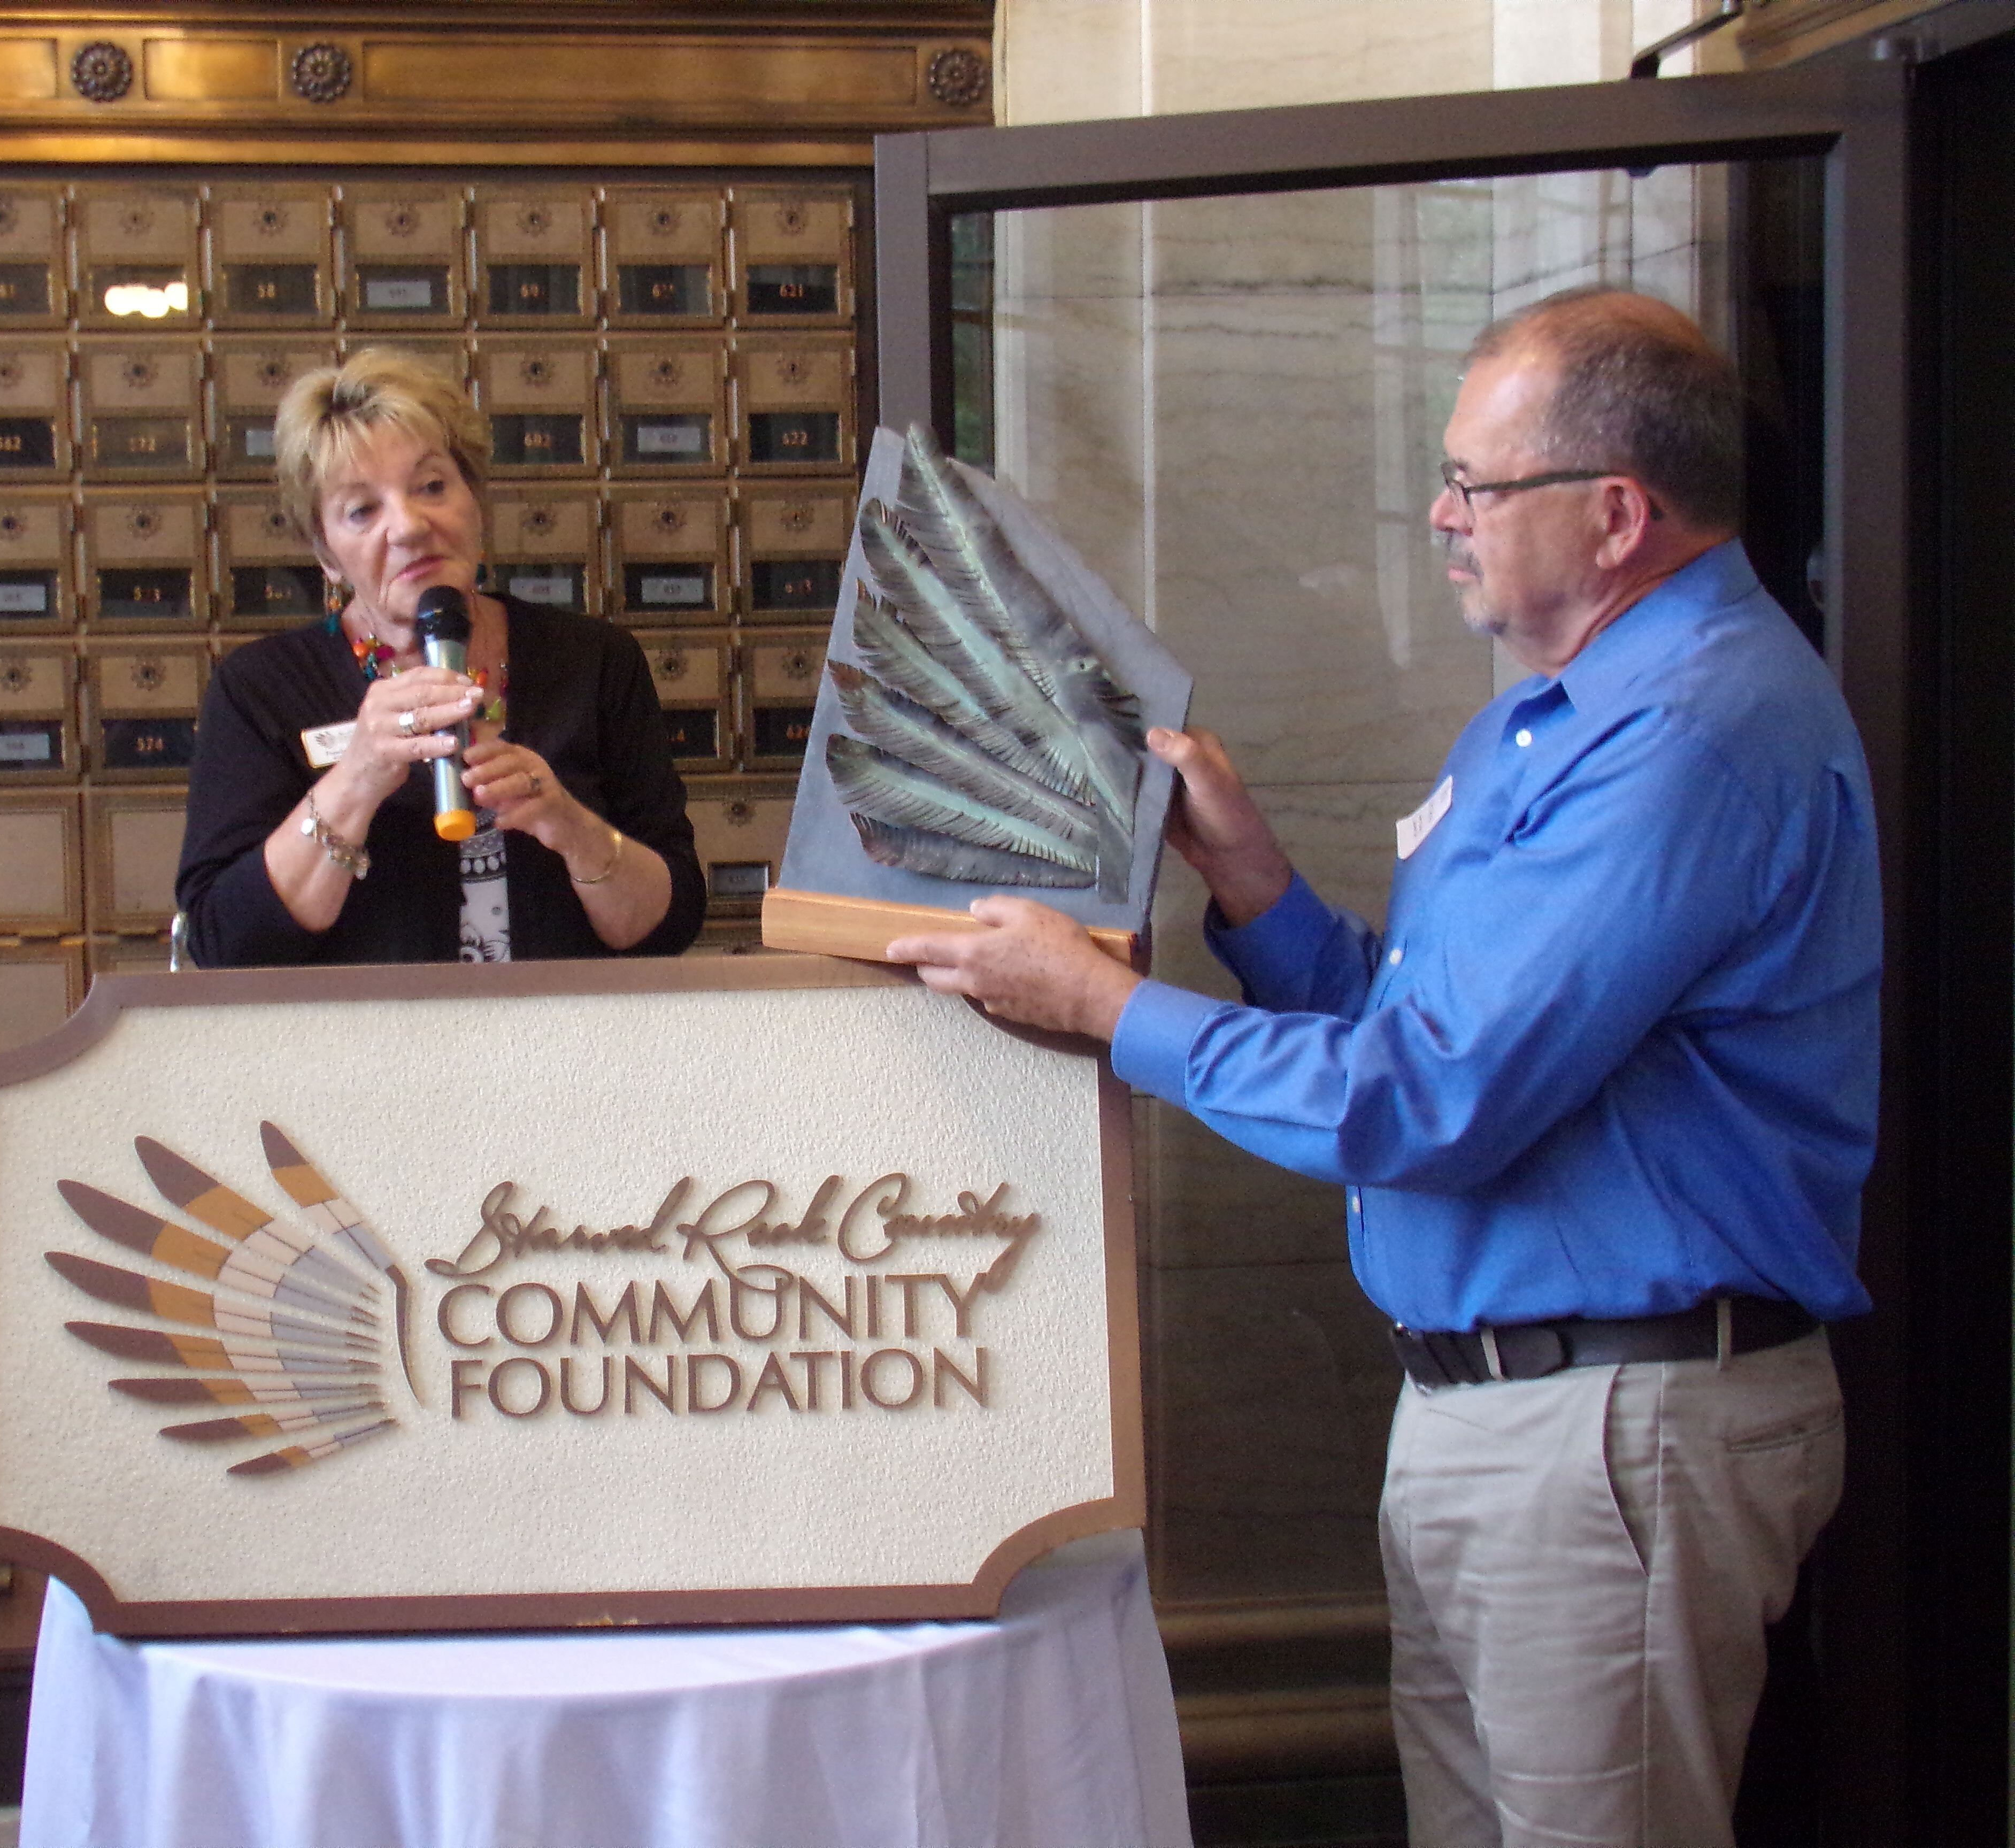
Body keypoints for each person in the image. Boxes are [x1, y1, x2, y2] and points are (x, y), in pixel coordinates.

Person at [887, 288, 1877, 1848]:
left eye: (1477, 484)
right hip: (1513, 1413)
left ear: (1615, 515)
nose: (1440, 515)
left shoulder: (1690, 732)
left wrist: (1099, 1009)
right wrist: (1261, 888)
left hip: (1617, 1421)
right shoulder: (1545, 725)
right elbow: (1416, 1033)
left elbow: (1432, 1103)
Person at [177, 346, 704, 966]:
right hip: (364, 1053)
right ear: (325, 552)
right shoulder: (261, 690)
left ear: (473, 498)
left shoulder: (593, 662)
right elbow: (224, 945)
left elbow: (671, 925)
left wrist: (571, 827)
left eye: (432, 486)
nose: (407, 527)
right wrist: (357, 778)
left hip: (562, 1049)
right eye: (362, 510)